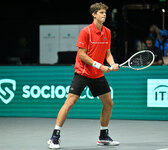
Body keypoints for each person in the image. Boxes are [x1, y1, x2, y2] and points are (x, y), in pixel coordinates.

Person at [47, 2, 120, 149]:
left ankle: (103, 136)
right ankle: (54, 137)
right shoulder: (86, 32)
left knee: (108, 103)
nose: (104, 14)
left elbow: (108, 53)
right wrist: (99, 65)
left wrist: (112, 64)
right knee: (69, 103)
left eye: (105, 12)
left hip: (97, 74)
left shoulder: (107, 32)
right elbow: (81, 55)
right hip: (83, 73)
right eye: (101, 12)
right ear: (94, 14)